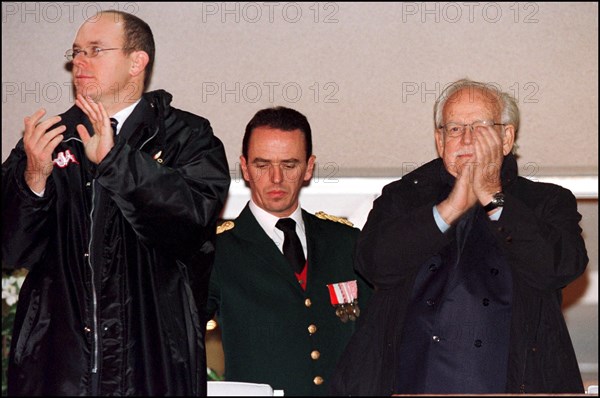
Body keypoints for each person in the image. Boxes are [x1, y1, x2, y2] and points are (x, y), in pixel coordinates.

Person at [2, 10, 231, 396]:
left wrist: (117, 162)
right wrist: (34, 180)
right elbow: (10, 248)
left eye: (95, 50)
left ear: (136, 61)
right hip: (58, 369)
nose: (79, 61)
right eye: (75, 52)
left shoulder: (187, 137)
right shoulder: (48, 139)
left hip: (151, 365)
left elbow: (190, 224)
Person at [330, 78, 589, 395]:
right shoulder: (403, 197)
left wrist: (494, 197)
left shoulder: (545, 202)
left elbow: (558, 267)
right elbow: (372, 263)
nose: (466, 139)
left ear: (506, 138)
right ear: (439, 141)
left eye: (480, 127)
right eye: (454, 129)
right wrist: (450, 209)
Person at [206, 106, 372, 396]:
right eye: (262, 164)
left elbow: (379, 334)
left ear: (309, 167)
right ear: (244, 167)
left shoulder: (344, 241)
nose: (276, 178)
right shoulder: (217, 251)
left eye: (289, 164)